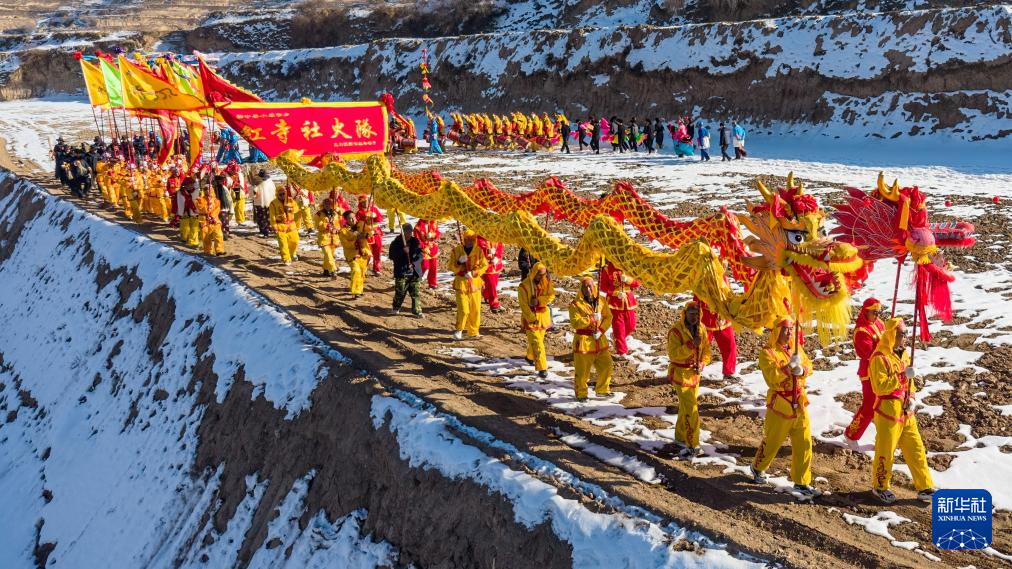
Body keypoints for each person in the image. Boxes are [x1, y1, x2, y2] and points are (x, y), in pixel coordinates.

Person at [869, 318, 935, 504]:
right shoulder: (879, 358)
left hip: (906, 412)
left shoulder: (904, 354)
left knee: (916, 449)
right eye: (901, 334)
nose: (904, 337)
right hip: (887, 412)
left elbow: (910, 382)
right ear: (892, 335)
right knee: (886, 451)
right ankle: (880, 487)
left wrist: (912, 397)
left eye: (905, 333)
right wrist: (902, 376)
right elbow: (879, 387)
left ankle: (925, 487)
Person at [749, 318, 815, 496]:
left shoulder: (796, 348)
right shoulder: (767, 353)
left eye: (791, 329)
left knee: (804, 443)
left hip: (799, 402)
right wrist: (788, 368)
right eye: (785, 329)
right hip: (781, 404)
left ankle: (801, 482)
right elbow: (772, 377)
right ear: (777, 331)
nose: (789, 333)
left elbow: (809, 364)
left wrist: (802, 370)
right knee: (772, 441)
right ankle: (758, 467)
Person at [666, 302, 712, 457]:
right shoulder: (675, 331)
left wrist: (702, 363)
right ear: (684, 314)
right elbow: (674, 355)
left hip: (695, 374)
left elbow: (706, 351)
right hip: (680, 375)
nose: (694, 317)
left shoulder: (701, 328)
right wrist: (691, 346)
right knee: (692, 410)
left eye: (697, 314)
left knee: (685, 407)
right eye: (691, 313)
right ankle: (692, 445)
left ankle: (680, 436)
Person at [844, 298, 885, 442]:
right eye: (874, 312)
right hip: (869, 371)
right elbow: (871, 353)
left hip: (883, 369)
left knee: (884, 405)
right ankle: (852, 434)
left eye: (879, 312)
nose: (877, 315)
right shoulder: (861, 331)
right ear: (866, 312)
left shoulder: (879, 323)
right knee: (869, 406)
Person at [569, 277, 613, 401]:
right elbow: (575, 323)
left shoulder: (601, 301)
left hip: (599, 340)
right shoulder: (575, 305)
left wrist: (601, 330)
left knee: (607, 365)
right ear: (581, 289)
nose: (587, 289)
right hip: (584, 342)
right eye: (584, 287)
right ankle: (581, 393)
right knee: (583, 371)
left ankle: (602, 390)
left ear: (594, 287)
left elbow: (608, 317)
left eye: (590, 286)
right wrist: (591, 319)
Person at [446, 230, 488, 340]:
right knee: (464, 310)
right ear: (464, 239)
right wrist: (459, 262)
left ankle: (473, 332)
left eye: (472, 240)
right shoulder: (456, 251)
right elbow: (450, 266)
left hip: (475, 283)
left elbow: (484, 265)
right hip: (461, 283)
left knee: (475, 310)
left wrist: (474, 273)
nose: (469, 241)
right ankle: (459, 329)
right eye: (467, 239)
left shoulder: (479, 251)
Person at [519, 263, 555, 378]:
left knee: (537, 341)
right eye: (539, 274)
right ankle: (542, 368)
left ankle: (529, 357)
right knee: (538, 344)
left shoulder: (546, 283)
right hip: (530, 318)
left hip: (543, 317)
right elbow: (523, 305)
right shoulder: (524, 286)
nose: (541, 277)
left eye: (543, 274)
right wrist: (531, 317)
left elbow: (551, 295)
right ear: (534, 272)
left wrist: (539, 301)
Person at [599, 261, 638, 356]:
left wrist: (628, 280)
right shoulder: (607, 269)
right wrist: (615, 293)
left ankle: (616, 337)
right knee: (619, 329)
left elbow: (637, 283)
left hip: (628, 301)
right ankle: (622, 351)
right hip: (614, 303)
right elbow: (603, 287)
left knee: (631, 325)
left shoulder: (630, 266)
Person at [697, 298, 737, 379]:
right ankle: (694, 371)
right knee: (700, 348)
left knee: (729, 344)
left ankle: (728, 373)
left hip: (723, 315)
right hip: (705, 316)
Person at [389, 223, 424, 316]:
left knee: (415, 292)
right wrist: (402, 251)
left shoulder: (415, 242)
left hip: (414, 272)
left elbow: (420, 255)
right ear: (402, 232)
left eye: (410, 232)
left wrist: (413, 263)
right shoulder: (396, 242)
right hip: (401, 271)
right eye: (407, 232)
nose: (409, 234)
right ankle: (396, 307)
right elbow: (391, 256)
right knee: (400, 291)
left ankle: (417, 311)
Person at [338, 210, 372, 297]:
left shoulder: (362, 224)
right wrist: (356, 242)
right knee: (356, 271)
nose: (353, 220)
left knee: (362, 273)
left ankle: (359, 290)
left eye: (353, 217)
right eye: (350, 218)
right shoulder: (343, 231)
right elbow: (345, 244)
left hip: (364, 253)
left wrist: (366, 234)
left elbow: (371, 233)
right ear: (346, 220)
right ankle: (356, 291)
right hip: (352, 255)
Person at [269, 186, 300, 265]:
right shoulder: (273, 203)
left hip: (291, 226)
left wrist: (290, 209)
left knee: (295, 242)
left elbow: (296, 208)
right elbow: (272, 216)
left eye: (283, 194)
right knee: (283, 245)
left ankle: (292, 254)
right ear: (277, 194)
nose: (282, 195)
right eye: (280, 194)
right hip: (280, 226)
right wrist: (274, 226)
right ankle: (286, 259)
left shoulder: (290, 200)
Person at [314, 192, 343, 277]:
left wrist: (337, 229)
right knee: (328, 254)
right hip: (324, 238)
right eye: (326, 204)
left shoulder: (336, 213)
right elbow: (318, 225)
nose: (328, 205)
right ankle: (333, 269)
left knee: (329, 255)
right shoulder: (319, 214)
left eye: (330, 204)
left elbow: (339, 223)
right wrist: (326, 226)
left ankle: (326, 269)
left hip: (334, 238)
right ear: (323, 205)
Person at [355, 197, 385, 273]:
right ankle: (364, 268)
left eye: (366, 201)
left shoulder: (374, 209)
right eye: (363, 202)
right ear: (360, 203)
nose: (365, 203)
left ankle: (376, 268)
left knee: (377, 250)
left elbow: (380, 218)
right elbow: (357, 223)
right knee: (367, 252)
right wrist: (364, 220)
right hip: (366, 234)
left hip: (375, 232)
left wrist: (375, 216)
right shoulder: (359, 212)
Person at [477, 235, 504, 313]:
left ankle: (486, 295)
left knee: (494, 284)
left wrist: (497, 257)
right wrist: (487, 252)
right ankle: (494, 305)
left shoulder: (497, 236)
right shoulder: (479, 238)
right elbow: (477, 250)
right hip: (485, 266)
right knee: (491, 285)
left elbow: (500, 248)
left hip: (496, 265)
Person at [414, 219, 441, 289]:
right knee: (425, 266)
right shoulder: (417, 227)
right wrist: (424, 248)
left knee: (433, 267)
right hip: (424, 250)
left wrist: (433, 234)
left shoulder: (434, 223)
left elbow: (438, 233)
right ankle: (416, 279)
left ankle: (432, 283)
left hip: (433, 248)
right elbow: (417, 240)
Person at [175, 176, 201, 247]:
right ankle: (184, 237)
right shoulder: (180, 193)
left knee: (194, 228)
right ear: (185, 185)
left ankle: (193, 242)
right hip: (184, 213)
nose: (190, 186)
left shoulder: (197, 192)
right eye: (188, 184)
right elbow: (176, 203)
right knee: (185, 228)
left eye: (192, 184)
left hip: (194, 212)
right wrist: (176, 213)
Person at [251, 170, 276, 237]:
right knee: (264, 217)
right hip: (264, 202)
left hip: (264, 202)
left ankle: (265, 230)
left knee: (263, 217)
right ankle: (265, 230)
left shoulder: (266, 182)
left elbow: (273, 191)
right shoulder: (260, 182)